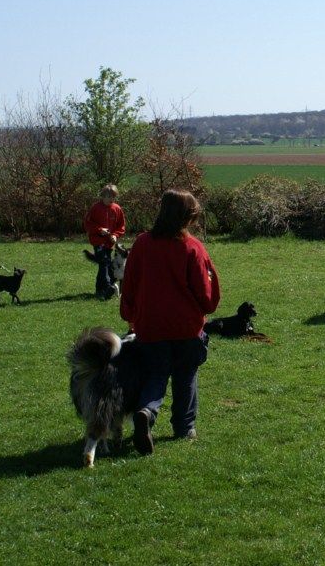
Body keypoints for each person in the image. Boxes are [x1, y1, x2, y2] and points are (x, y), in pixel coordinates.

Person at [121, 190, 220, 455]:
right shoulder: (192, 247)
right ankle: (184, 427)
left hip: (150, 325)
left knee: (155, 374)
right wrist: (207, 306)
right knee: (185, 375)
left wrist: (129, 313)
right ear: (188, 217)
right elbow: (205, 291)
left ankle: (147, 411)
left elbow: (129, 282)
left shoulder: (142, 244)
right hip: (185, 327)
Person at [84, 184, 126, 300]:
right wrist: (99, 229)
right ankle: (108, 287)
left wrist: (115, 235)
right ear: (102, 196)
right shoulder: (96, 208)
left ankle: (99, 290)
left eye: (113, 197)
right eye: (108, 196)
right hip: (97, 241)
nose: (110, 199)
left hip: (109, 243)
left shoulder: (117, 209)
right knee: (104, 262)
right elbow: (87, 223)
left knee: (104, 264)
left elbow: (121, 226)